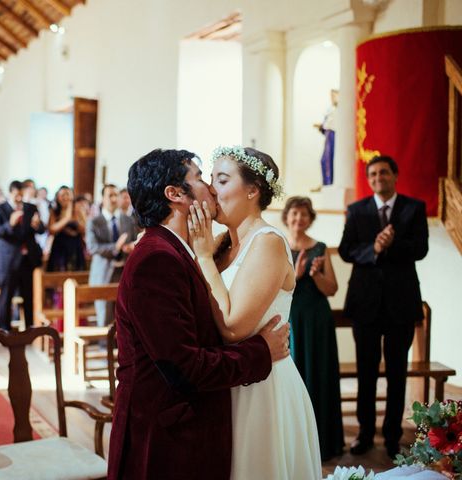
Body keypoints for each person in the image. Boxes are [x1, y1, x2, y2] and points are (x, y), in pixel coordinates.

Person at [108, 149, 291, 480]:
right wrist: (262, 350)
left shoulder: (181, 249)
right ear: (175, 194)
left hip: (217, 413)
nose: (209, 186)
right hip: (167, 436)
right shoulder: (157, 259)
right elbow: (185, 367)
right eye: (201, 177)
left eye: (219, 179)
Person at [188, 146, 321, 479]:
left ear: (252, 190)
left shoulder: (268, 242)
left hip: (262, 389)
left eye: (222, 179)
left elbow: (234, 328)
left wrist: (203, 258)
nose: (211, 189)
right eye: (210, 178)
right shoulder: (220, 244)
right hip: (225, 380)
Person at [339, 155, 428, 458]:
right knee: (366, 373)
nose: (379, 177)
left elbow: (421, 249)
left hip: (401, 304)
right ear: (369, 178)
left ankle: (392, 435)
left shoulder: (414, 208)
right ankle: (364, 434)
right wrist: (374, 249)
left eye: (384, 172)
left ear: (395, 175)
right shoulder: (357, 210)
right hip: (365, 304)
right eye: (373, 173)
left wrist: (393, 244)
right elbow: (347, 251)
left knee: (396, 373)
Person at [283, 195, 344, 461]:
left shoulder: (320, 248)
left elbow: (332, 289)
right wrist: (295, 276)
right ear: (287, 217)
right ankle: (295, 443)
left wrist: (316, 274)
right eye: (294, 214)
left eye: (304, 214)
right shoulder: (279, 245)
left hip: (317, 320)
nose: (299, 219)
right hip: (290, 318)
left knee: (319, 374)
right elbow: (274, 288)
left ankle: (325, 442)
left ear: (310, 219)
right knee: (294, 376)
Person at [0, 180, 45, 332]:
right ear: (10, 193)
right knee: (6, 294)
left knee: (28, 295)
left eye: (21, 195)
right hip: (8, 259)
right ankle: (4, 327)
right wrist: (10, 224)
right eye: (16, 195)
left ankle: (29, 327)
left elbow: (41, 229)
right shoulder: (0, 209)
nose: (19, 198)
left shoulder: (31, 208)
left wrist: (38, 225)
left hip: (27, 259)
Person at [86, 184, 137, 326]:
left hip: (124, 270)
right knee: (104, 314)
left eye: (116, 195)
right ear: (102, 198)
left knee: (126, 312)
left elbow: (135, 240)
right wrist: (115, 247)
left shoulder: (128, 220)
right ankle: (104, 345)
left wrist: (132, 246)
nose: (114, 199)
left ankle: (121, 346)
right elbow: (92, 247)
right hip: (104, 271)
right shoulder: (94, 222)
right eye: (110, 195)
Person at [46, 186, 86, 272]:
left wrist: (74, 217)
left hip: (75, 246)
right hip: (59, 247)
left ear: (72, 196)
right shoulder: (54, 211)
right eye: (62, 195)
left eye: (67, 194)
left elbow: (85, 229)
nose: (65, 197)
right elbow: (51, 230)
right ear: (57, 197)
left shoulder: (78, 210)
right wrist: (67, 218)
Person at [313, 89, 338, 187]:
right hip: (328, 134)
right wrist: (321, 126)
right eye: (331, 95)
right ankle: (326, 183)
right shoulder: (330, 109)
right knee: (324, 160)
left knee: (329, 159)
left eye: (334, 95)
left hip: (333, 134)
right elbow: (326, 123)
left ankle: (329, 183)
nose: (332, 97)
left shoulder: (339, 108)